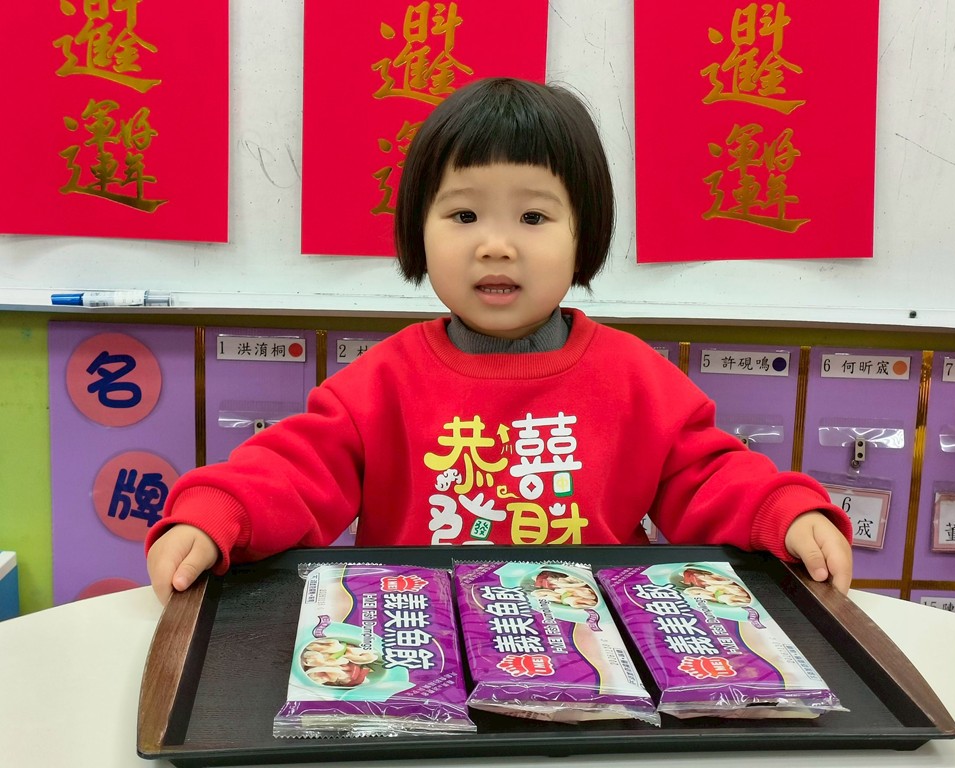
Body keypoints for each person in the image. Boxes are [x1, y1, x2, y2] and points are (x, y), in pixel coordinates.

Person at [146, 77, 853, 605]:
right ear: (417, 231)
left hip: (594, 655)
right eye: (463, 215)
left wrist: (783, 512)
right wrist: (217, 515)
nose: (495, 245)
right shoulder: (380, 382)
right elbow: (292, 472)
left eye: (534, 218)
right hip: (421, 655)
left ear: (585, 234)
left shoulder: (637, 377)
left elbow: (709, 477)